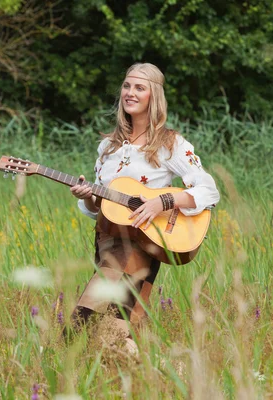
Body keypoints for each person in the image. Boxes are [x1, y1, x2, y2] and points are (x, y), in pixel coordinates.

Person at [69, 63, 220, 349]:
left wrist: (162, 201)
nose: (130, 92)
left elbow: (208, 190)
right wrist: (87, 197)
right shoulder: (108, 148)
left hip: (140, 244)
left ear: (155, 96)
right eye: (126, 86)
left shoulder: (170, 143)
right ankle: (160, 380)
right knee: (115, 336)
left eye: (139, 87)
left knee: (81, 322)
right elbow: (99, 208)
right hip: (106, 241)